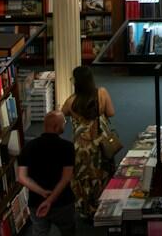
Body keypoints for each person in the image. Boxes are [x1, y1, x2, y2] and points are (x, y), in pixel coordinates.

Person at [61, 65, 118, 219]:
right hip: (100, 143)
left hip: (81, 147)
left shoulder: (71, 101)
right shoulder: (102, 93)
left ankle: (87, 209)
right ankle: (105, 205)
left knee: (84, 177)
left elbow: (61, 115)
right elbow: (111, 112)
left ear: (77, 83)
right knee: (102, 172)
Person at [17, 112, 78, 236]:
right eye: (64, 123)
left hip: (36, 202)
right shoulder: (67, 147)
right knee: (68, 230)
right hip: (62, 200)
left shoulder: (28, 147)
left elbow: (22, 177)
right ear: (56, 127)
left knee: (40, 232)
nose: (65, 125)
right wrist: (50, 200)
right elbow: (66, 178)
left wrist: (42, 192)